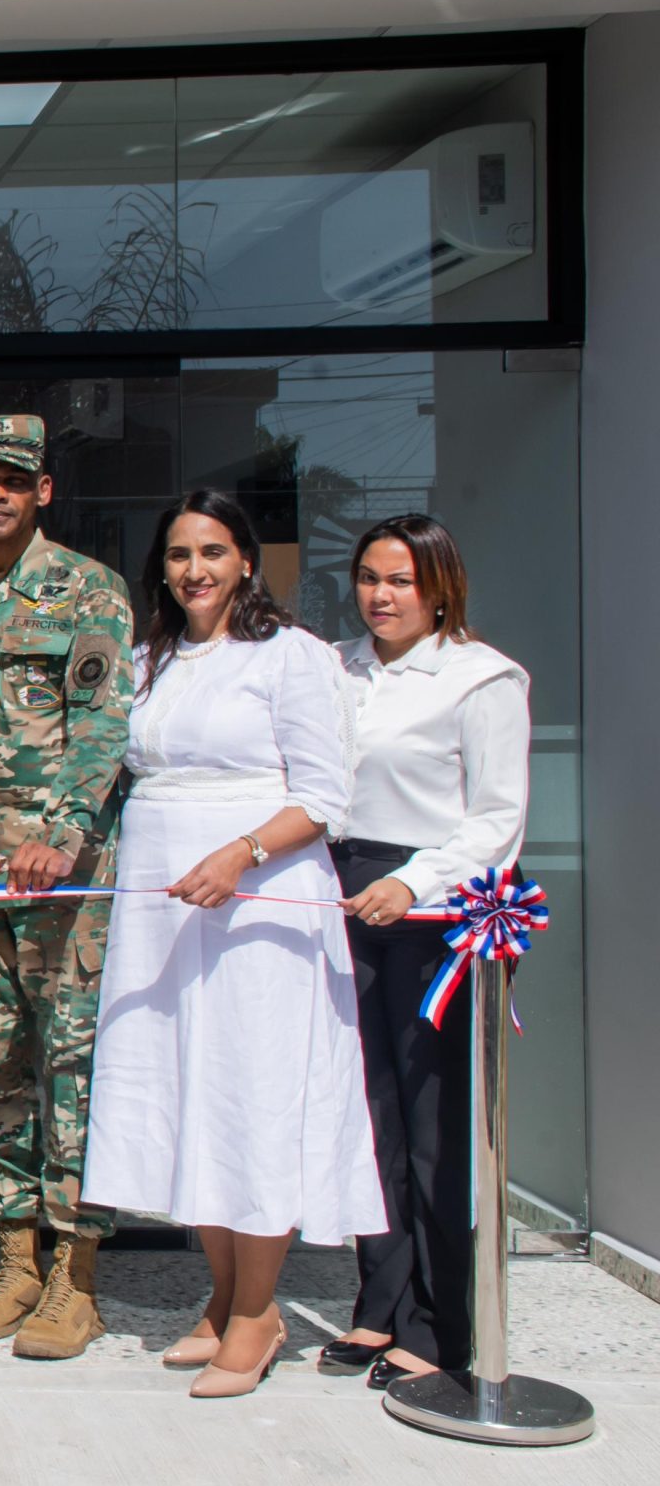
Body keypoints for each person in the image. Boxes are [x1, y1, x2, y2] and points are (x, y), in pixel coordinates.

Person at [81, 488, 384, 1399]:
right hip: (167, 901)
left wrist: (242, 853)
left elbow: (325, 797)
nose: (195, 570)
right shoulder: (151, 658)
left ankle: (259, 1310)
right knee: (187, 1093)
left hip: (261, 903)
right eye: (178, 555)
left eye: (212, 552)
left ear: (246, 559)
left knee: (254, 1094)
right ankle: (220, 1296)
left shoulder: (293, 656)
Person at [0, 414, 132, 1360]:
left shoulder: (90, 590)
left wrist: (63, 833)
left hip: (65, 884)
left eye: (13, 477)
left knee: (74, 1074)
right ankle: (16, 1259)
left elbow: (104, 724)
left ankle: (77, 1277)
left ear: (44, 489)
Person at [325, 515, 528, 1390]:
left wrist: (415, 881)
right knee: (367, 1115)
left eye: (401, 580)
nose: (380, 594)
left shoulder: (481, 679)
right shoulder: (337, 667)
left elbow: (497, 818)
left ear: (440, 586)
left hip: (434, 907)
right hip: (341, 888)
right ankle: (381, 1304)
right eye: (369, 576)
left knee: (434, 1123)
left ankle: (442, 1324)